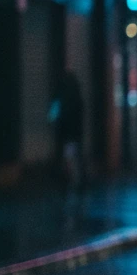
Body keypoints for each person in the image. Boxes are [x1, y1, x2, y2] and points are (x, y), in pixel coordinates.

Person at [50, 66, 86, 194]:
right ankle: (76, 180)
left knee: (68, 157)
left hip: (65, 133)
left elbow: (53, 115)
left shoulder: (60, 97)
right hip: (74, 134)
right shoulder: (77, 98)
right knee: (74, 157)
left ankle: (69, 179)